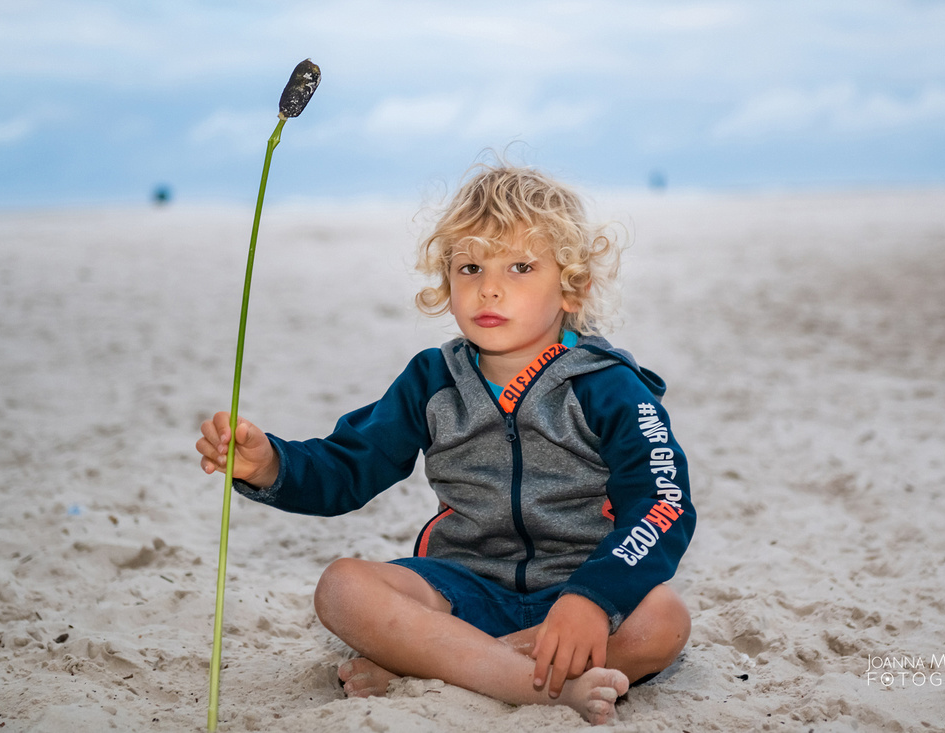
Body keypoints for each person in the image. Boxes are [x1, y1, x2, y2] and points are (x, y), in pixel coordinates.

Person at [196, 163, 695, 725]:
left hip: (577, 593)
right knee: (343, 587)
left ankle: (461, 668)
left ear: (572, 286)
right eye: (471, 266)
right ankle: (530, 681)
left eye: (521, 267)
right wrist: (271, 465)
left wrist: (593, 598)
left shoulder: (611, 388)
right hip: (459, 595)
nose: (490, 287)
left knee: (664, 619)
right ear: (446, 280)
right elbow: (350, 465)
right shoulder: (433, 380)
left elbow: (663, 504)